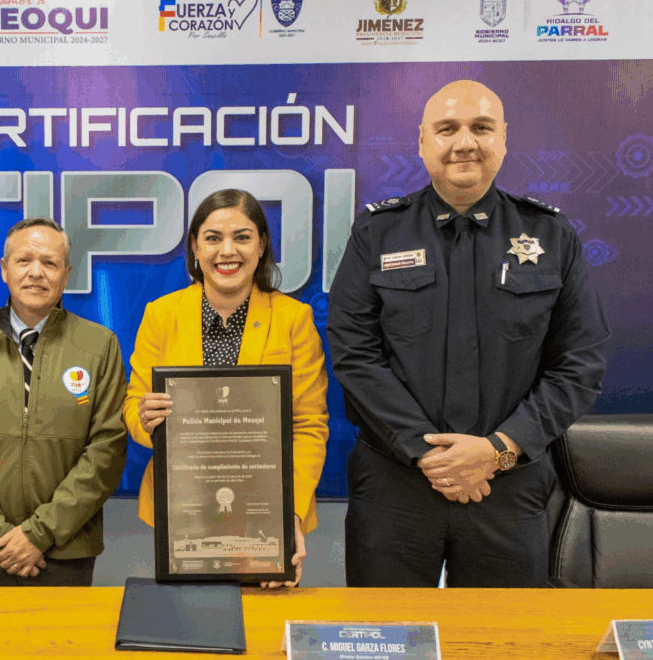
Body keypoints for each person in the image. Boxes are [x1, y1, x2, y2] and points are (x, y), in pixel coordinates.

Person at [327, 80, 610, 587]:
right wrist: (429, 453)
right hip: (394, 486)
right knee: (387, 628)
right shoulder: (377, 232)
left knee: (503, 629)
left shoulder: (550, 235)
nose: (465, 142)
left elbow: (580, 362)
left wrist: (498, 448)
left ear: (503, 138)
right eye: (447, 129)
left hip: (508, 484)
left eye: (481, 127)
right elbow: (354, 353)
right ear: (422, 142)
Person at [124, 189, 329, 588]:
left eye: (242, 237)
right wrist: (145, 419)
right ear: (195, 248)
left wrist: (286, 517)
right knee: (186, 618)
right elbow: (134, 407)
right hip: (181, 506)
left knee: (263, 621)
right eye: (213, 238)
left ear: (261, 245)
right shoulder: (162, 315)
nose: (227, 251)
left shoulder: (294, 319)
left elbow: (308, 425)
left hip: (267, 507)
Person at [0, 217, 127, 586]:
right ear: (5, 269)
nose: (36, 272)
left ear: (66, 274)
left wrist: (39, 534)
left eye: (49, 263)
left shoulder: (100, 345)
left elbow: (107, 450)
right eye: (24, 261)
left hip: (67, 548)